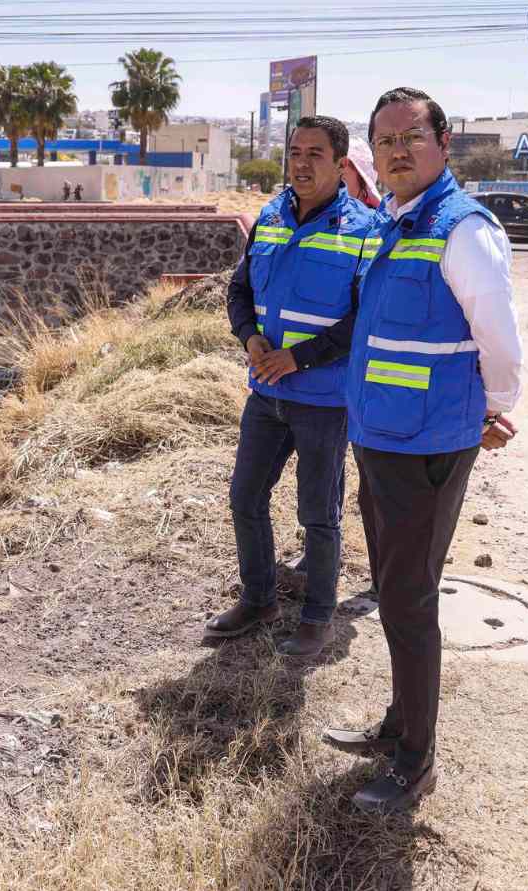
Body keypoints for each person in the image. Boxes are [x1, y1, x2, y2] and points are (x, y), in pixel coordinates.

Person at [318, 87, 524, 815]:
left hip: (427, 444)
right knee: (393, 591)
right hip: (381, 436)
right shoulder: (394, 222)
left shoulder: (461, 229)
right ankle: (397, 725)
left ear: (443, 144)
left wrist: (493, 407)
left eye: (411, 137)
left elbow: (498, 332)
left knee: (409, 599)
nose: (398, 151)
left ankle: (415, 762)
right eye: (385, 140)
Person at [212, 116, 382, 655]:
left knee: (318, 515)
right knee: (245, 498)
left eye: (315, 154)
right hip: (266, 393)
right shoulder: (270, 217)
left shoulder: (366, 230)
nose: (301, 164)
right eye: (295, 152)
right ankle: (259, 599)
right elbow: (238, 291)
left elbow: (364, 319)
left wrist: (298, 359)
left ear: (341, 165)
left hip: (324, 401)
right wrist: (249, 338)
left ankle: (318, 617)